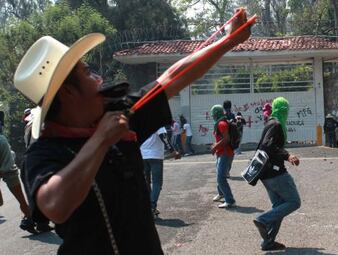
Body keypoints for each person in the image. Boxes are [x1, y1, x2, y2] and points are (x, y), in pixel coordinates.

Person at [14, 8, 252, 254]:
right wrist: (100, 142)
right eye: (87, 73)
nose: (98, 78)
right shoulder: (43, 152)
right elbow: (55, 205)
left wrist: (229, 41)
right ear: (68, 92)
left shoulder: (116, 112)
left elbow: (173, 76)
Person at [253, 97, 301, 251]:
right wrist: (287, 155)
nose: (286, 113)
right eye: (285, 110)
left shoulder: (270, 122)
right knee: (294, 202)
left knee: (279, 207)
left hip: (266, 175)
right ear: (282, 110)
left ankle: (268, 242)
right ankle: (263, 219)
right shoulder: (276, 124)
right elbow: (269, 145)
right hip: (275, 173)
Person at [0, 124, 36, 234]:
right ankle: (31, 218)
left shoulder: (1, 141)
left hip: (9, 171)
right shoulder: (2, 140)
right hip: (6, 168)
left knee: (21, 201)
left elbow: (6, 165)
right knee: (1, 202)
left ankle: (30, 219)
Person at [141, 127, 179, 219]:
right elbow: (164, 138)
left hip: (142, 155)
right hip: (155, 156)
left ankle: (149, 207)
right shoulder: (158, 125)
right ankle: (152, 207)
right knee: (157, 183)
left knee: (146, 182)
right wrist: (173, 151)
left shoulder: (142, 123)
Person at [210, 105, 236, 208]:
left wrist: (214, 147)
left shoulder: (221, 123)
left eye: (213, 115)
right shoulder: (220, 123)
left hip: (226, 153)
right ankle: (221, 194)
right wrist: (215, 147)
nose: (212, 117)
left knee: (221, 177)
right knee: (219, 175)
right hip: (221, 152)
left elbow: (226, 139)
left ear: (216, 114)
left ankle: (230, 200)